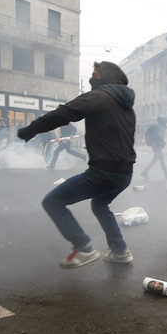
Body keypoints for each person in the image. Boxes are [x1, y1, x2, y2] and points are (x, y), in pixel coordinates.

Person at [16, 61, 136, 268]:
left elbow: (64, 113)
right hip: (124, 173)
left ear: (105, 77)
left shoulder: (99, 96)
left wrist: (30, 130)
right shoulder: (125, 106)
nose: (92, 79)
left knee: (52, 202)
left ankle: (84, 248)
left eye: (95, 74)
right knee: (100, 204)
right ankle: (120, 251)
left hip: (103, 172)